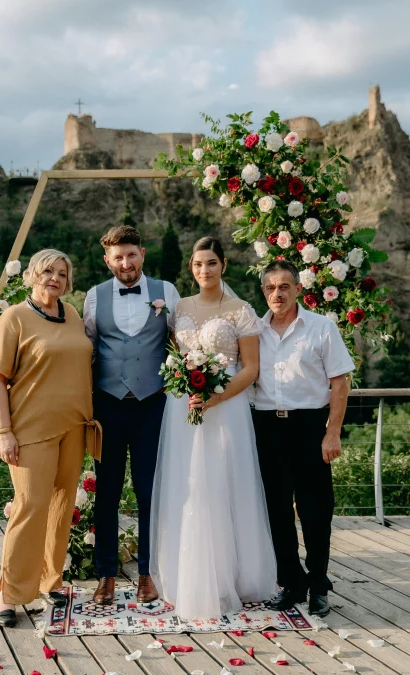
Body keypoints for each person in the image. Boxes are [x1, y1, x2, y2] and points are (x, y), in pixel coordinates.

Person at [150, 237, 276, 618]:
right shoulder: (179, 308)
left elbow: (251, 368)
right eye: (197, 264)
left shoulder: (241, 311)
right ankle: (187, 573)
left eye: (211, 263)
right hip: (183, 409)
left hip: (226, 409)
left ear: (224, 265)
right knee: (187, 486)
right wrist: (187, 389)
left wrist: (216, 398)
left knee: (223, 486)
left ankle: (229, 579)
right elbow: (176, 358)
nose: (203, 271)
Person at [0, 248, 100, 627]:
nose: (55, 278)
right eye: (48, 271)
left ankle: (51, 580)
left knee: (62, 506)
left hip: (75, 428)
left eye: (63, 274)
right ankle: (9, 592)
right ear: (33, 275)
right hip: (31, 430)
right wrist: (4, 433)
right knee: (30, 506)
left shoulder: (72, 315)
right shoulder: (15, 317)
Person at [84, 225, 181, 605]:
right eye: (117, 257)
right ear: (107, 260)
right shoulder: (94, 297)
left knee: (149, 491)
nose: (126, 263)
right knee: (106, 493)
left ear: (142, 253)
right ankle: (106, 576)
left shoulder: (166, 292)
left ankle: (148, 574)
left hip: (152, 406)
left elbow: (183, 342)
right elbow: (86, 350)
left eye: (131, 255)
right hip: (107, 406)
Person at [252, 260, 354, 618]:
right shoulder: (255, 331)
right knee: (276, 511)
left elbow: (340, 383)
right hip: (266, 427)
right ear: (263, 291)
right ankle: (291, 583)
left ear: (297, 289)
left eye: (284, 286)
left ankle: (319, 584)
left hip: (310, 428)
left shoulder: (321, 327)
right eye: (270, 288)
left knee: (315, 511)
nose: (277, 294)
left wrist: (332, 432)